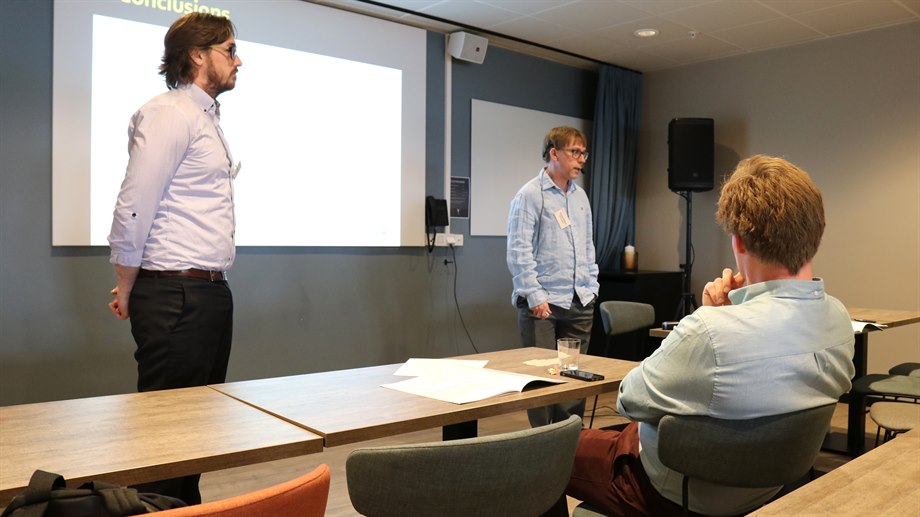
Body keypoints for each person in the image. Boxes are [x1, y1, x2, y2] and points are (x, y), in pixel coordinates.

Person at [553, 155, 855, 516]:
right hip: (768, 487)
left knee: (544, 452)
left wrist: (712, 316)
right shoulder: (838, 319)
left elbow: (629, 399)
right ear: (815, 235)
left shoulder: (710, 332)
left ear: (739, 243)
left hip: (675, 493)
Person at [106, 12, 242, 505]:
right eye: (230, 50)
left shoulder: (205, 117)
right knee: (165, 443)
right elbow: (134, 205)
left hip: (206, 292)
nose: (239, 61)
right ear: (197, 55)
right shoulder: (169, 114)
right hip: (176, 295)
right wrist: (127, 286)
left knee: (196, 437)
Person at [507, 126, 600, 427]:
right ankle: (543, 444)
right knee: (542, 381)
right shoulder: (530, 195)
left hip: (580, 301)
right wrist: (534, 296)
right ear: (554, 154)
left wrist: (592, 287)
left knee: (573, 383)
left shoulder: (581, 197)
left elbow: (588, 246)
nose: (581, 159)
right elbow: (518, 250)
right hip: (543, 305)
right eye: (575, 152)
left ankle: (570, 443)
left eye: (584, 153)